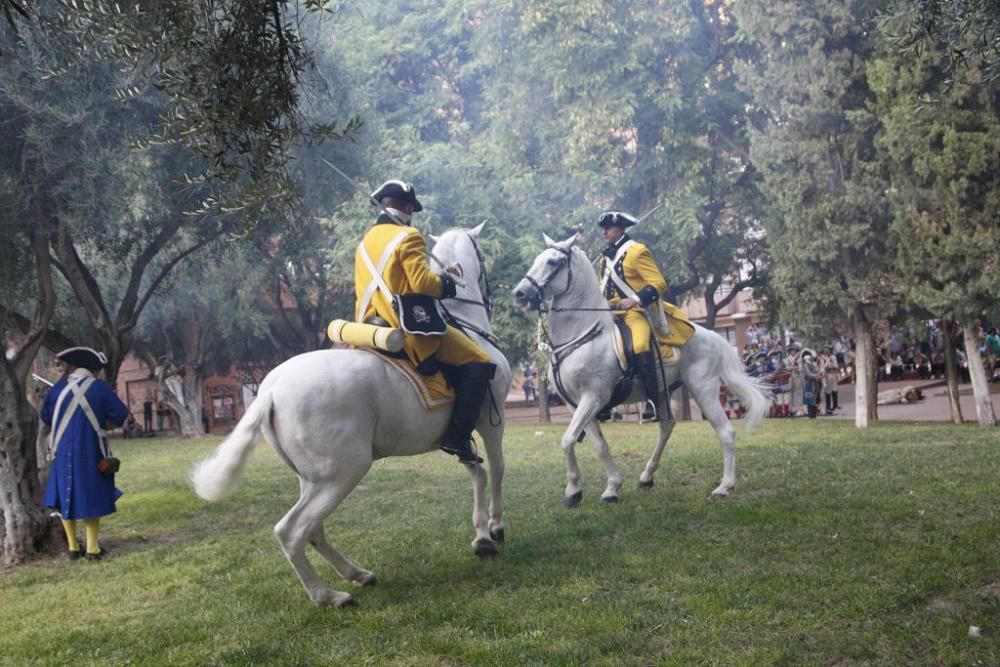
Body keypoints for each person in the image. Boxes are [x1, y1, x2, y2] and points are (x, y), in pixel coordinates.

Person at [355, 179, 495, 464]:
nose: (412, 215)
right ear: (407, 207)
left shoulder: (365, 241)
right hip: (405, 325)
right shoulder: (409, 236)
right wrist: (447, 282)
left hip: (368, 323)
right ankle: (457, 438)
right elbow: (421, 283)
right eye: (412, 210)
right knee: (479, 361)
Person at [41, 347, 128, 560]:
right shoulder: (99, 388)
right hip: (90, 450)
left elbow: (45, 417)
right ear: (93, 370)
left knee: (65, 498)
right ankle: (92, 549)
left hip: (60, 451)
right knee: (92, 497)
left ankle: (72, 549)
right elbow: (120, 415)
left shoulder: (57, 389)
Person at [597, 210, 668, 421]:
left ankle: (652, 402)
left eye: (608, 228)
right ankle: (603, 402)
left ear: (619, 228)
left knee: (638, 345)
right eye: (604, 229)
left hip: (635, 312)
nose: (604, 233)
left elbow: (658, 283)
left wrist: (635, 300)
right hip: (610, 313)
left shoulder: (637, 251)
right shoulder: (605, 258)